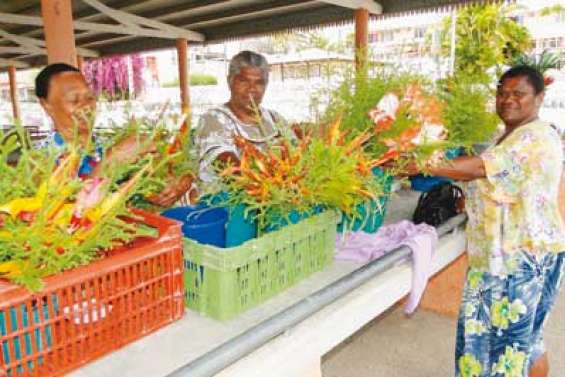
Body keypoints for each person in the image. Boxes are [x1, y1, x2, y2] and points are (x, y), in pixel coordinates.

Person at [393, 65, 564, 377]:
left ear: (539, 98)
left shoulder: (534, 137)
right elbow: (501, 185)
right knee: (525, 343)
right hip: (515, 253)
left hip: (518, 259)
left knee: (505, 349)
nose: (507, 99)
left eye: (518, 93)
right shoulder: (510, 136)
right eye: (501, 93)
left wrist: (419, 163)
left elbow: (478, 169)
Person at [35, 63, 190, 206]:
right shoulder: (37, 161)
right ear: (46, 105)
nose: (87, 106)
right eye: (74, 100)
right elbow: (57, 213)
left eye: (90, 97)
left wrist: (169, 187)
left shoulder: (106, 145)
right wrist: (112, 159)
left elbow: (141, 188)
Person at [195, 51, 288, 182]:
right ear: (230, 82)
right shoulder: (214, 118)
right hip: (228, 199)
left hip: (276, 194)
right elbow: (223, 160)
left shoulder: (275, 119)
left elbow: (295, 155)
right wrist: (259, 183)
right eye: (244, 81)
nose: (252, 89)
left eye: (259, 83)